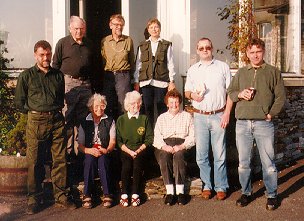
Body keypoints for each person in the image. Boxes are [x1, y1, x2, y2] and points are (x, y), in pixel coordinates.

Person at [14, 40, 76, 215]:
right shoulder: (26, 76)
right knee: (35, 161)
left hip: (56, 120)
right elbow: (19, 102)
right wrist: (35, 112)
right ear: (35, 55)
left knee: (60, 159)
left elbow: (60, 96)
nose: (46, 58)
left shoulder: (57, 75)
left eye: (48, 54)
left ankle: (62, 196)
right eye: (42, 55)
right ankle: (34, 198)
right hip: (36, 122)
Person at [227, 38, 286, 210]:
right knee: (244, 162)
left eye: (258, 51)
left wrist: (270, 114)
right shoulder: (241, 72)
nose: (255, 55)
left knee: (268, 163)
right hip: (242, 123)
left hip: (263, 123)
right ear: (247, 54)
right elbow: (230, 92)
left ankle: (272, 195)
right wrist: (240, 94)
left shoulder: (273, 72)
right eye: (251, 52)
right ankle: (246, 193)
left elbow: (281, 97)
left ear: (263, 52)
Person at [184, 37, 233, 201]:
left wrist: (227, 113)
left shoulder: (223, 67)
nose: (205, 50)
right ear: (197, 51)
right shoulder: (192, 70)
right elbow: (186, 92)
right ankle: (207, 185)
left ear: (212, 49)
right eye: (202, 48)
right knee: (201, 155)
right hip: (199, 116)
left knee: (219, 154)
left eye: (208, 47)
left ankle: (221, 186)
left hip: (219, 115)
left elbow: (231, 93)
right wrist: (193, 95)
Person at [53, 15, 93, 184]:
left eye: (81, 28)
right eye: (76, 28)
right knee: (67, 120)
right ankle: (67, 157)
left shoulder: (89, 44)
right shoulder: (63, 43)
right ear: (70, 28)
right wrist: (57, 88)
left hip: (86, 84)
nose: (79, 31)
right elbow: (55, 66)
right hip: (68, 83)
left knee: (83, 121)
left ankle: (80, 156)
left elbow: (95, 66)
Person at [153, 89, 195, 206]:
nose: (174, 105)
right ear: (167, 103)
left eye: (176, 102)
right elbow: (157, 137)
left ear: (180, 102)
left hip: (181, 145)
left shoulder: (187, 116)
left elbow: (192, 136)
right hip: (165, 145)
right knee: (164, 156)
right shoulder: (161, 118)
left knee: (179, 156)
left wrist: (182, 146)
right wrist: (164, 146)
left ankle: (180, 192)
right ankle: (170, 192)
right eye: (171, 102)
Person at [134, 18, 176, 125]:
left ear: (160, 29)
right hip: (145, 82)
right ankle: (149, 136)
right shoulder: (142, 45)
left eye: (156, 27)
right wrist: (136, 81)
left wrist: (171, 81)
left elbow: (170, 63)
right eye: (151, 27)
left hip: (161, 82)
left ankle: (161, 134)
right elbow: (138, 64)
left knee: (161, 107)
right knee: (147, 108)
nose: (154, 29)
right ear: (148, 30)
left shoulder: (166, 44)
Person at [77, 94, 116, 209]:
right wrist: (89, 150)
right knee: (89, 162)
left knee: (103, 162)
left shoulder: (109, 120)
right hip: (89, 150)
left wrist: (107, 150)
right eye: (96, 106)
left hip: (104, 150)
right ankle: (87, 194)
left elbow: (112, 141)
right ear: (90, 108)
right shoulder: (84, 122)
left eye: (102, 106)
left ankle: (108, 194)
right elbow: (80, 145)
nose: (99, 109)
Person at [116, 91, 153, 207]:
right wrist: (129, 151)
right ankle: (124, 194)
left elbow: (149, 138)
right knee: (126, 166)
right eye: (132, 103)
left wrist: (138, 151)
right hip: (126, 150)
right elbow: (119, 140)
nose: (135, 106)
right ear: (127, 105)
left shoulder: (144, 119)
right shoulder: (121, 120)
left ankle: (135, 193)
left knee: (137, 166)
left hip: (140, 150)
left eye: (138, 103)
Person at [101, 14, 135, 120]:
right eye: (116, 25)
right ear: (110, 25)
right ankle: (110, 133)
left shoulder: (128, 40)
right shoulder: (105, 41)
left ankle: (123, 134)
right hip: (109, 76)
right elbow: (103, 60)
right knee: (108, 104)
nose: (119, 27)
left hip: (123, 75)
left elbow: (132, 61)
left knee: (124, 105)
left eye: (121, 25)